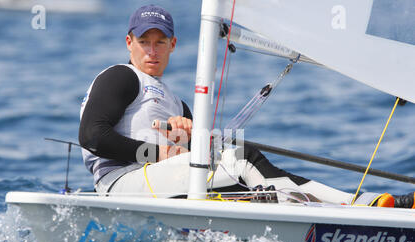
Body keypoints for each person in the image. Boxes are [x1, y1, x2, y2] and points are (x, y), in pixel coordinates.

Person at [79, 4, 414, 208]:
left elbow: (188, 161)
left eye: (160, 42)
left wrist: (185, 143)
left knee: (254, 183)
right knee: (241, 155)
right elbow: (93, 136)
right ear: (129, 43)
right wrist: (160, 154)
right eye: (143, 41)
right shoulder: (122, 77)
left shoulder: (177, 102)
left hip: (161, 185)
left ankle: (339, 211)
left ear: (173, 45)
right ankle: (358, 204)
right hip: (122, 185)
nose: (151, 50)